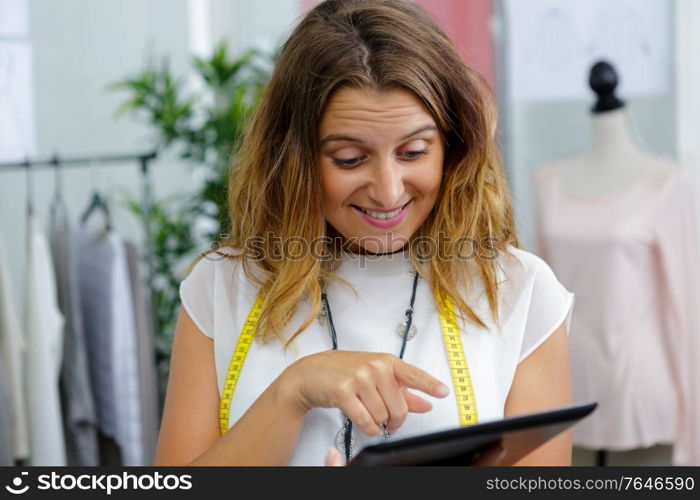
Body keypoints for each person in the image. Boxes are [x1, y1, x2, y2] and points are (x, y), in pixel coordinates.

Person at [154, 0, 575, 466]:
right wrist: (291, 392)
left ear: (453, 146)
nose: (388, 191)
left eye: (413, 152)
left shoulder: (518, 292)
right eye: (350, 159)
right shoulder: (220, 288)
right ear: (295, 160)